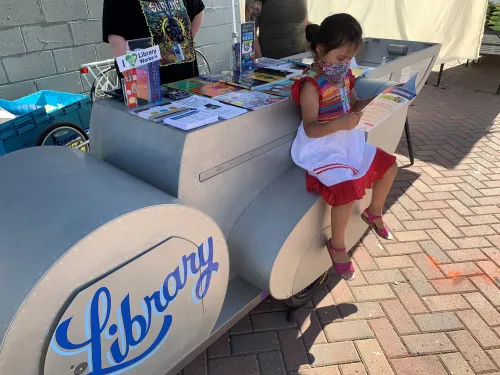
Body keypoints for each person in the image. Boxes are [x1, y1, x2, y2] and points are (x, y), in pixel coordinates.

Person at [291, 14, 398, 280]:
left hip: (346, 138)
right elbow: (310, 128)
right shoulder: (311, 85)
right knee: (347, 191)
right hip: (322, 145)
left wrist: (378, 100)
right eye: (340, 59)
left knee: (390, 165)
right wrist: (339, 124)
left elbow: (353, 103)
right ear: (320, 49)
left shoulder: (345, 75)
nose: (345, 64)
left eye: (349, 59)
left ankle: (374, 212)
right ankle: (337, 245)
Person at [102, 0, 205, 84]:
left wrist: (186, 42)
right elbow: (116, 40)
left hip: (188, 81)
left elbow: (198, 9)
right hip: (148, 87)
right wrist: (137, 84)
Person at [245, 0, 309, 59]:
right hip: (272, 62)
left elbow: (304, 23)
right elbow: (250, 31)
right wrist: (260, 62)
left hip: (301, 59)